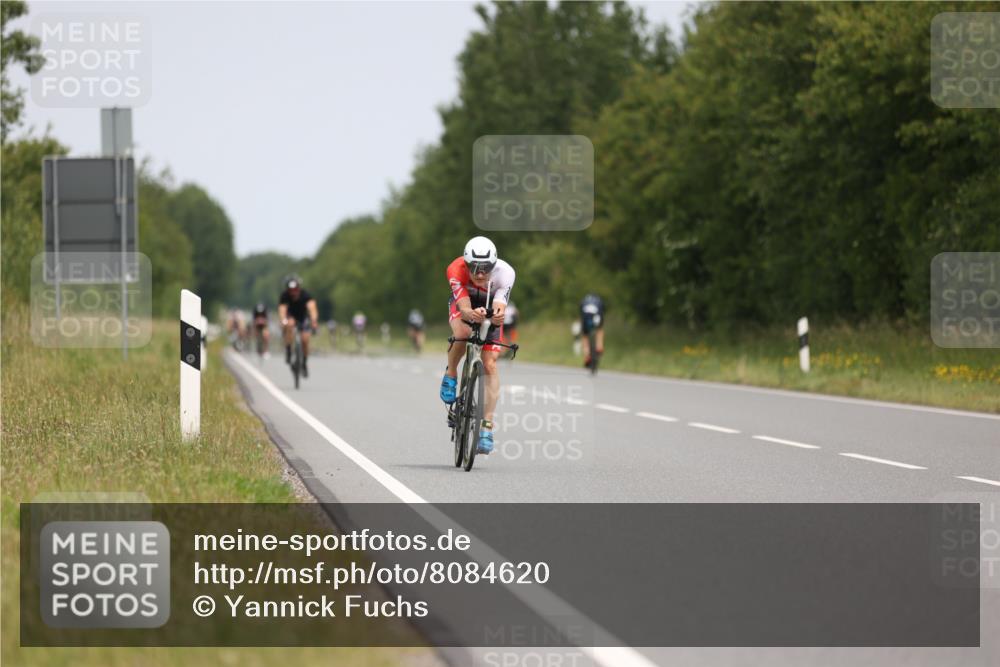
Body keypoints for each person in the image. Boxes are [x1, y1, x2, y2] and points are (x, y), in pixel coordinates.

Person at [440, 235, 516, 455]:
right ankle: (452, 373)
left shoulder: (506, 273)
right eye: (475, 268)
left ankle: (486, 428)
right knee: (463, 333)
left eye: (486, 268)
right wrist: (471, 314)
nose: (480, 273)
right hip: (465, 303)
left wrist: (497, 316)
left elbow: (500, 306)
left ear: (494, 264)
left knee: (490, 364)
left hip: (488, 306)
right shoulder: (455, 269)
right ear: (466, 263)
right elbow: (463, 308)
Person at [278, 278, 318, 376]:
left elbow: (312, 308)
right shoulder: (285, 296)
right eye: (291, 290)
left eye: (295, 290)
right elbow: (282, 310)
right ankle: (288, 349)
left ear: (298, 289)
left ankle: (304, 362)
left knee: (305, 340)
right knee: (289, 325)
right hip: (291, 317)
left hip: (303, 318)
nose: (293, 293)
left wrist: (314, 321)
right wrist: (283, 321)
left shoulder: (305, 295)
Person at [579, 293, 605, 368]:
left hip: (586, 317)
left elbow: (581, 312)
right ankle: (599, 346)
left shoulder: (584, 301)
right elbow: (603, 310)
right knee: (599, 330)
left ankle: (587, 356)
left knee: (585, 335)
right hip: (597, 316)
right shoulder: (599, 301)